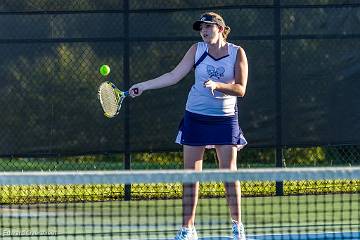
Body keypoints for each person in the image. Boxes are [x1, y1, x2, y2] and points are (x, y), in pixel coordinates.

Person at [129, 12, 248, 240]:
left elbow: (241, 89)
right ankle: (188, 229)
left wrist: (219, 85)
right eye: (201, 27)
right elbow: (173, 76)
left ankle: (237, 227)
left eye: (208, 27)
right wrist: (143, 86)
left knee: (229, 174)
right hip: (195, 116)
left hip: (224, 120)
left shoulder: (236, 53)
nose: (203, 31)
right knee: (191, 175)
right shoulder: (196, 50)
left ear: (221, 29)